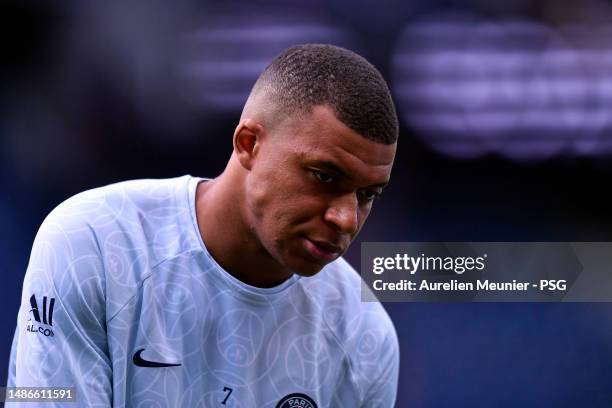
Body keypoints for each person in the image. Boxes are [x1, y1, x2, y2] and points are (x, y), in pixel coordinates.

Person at [8, 44, 399, 407]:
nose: (345, 218)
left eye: (367, 195)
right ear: (248, 144)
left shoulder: (364, 336)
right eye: (324, 177)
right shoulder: (92, 242)